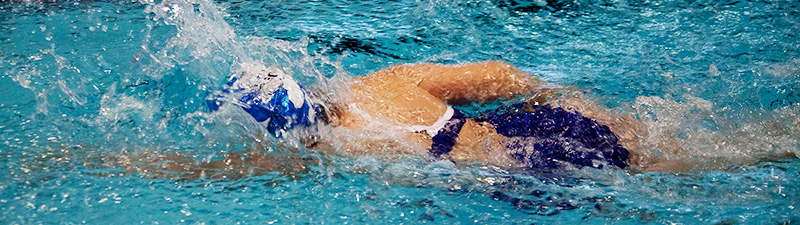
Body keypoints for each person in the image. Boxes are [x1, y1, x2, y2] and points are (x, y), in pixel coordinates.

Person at [198, 60, 644, 175]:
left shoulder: (334, 153)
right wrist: (557, 96)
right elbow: (501, 76)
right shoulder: (376, 84)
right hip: (536, 124)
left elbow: (223, 173)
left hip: (531, 167)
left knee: (663, 174)